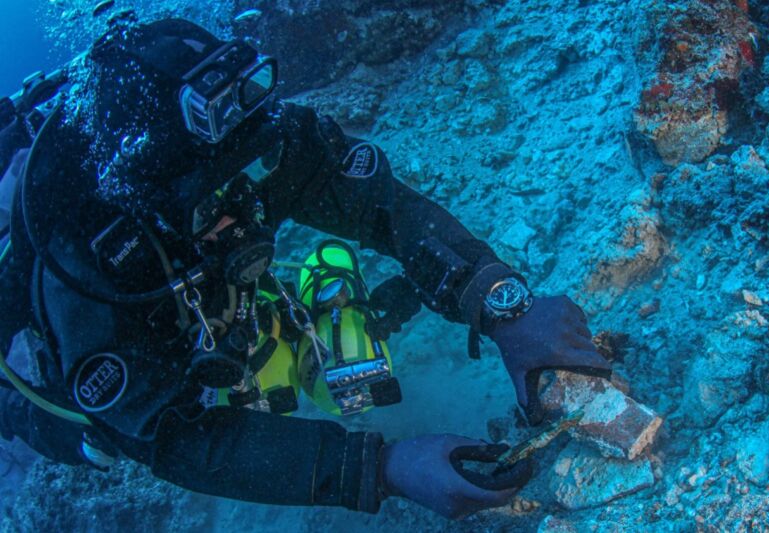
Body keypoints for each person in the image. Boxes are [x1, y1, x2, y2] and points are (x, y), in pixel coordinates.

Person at [0, 17, 611, 519]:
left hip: (202, 287)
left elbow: (384, 209)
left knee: (285, 314)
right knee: (97, 440)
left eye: (250, 175)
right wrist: (377, 468)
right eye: (214, 205)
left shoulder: (255, 139)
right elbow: (172, 438)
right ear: (153, 212)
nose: (245, 210)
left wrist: (501, 302)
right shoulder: (85, 269)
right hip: (93, 380)